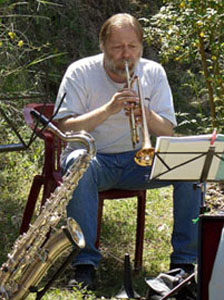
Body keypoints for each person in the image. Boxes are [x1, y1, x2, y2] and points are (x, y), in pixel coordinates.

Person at [53, 13, 201, 289]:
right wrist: (108, 109)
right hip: (95, 161)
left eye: (132, 46)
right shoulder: (80, 71)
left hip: (138, 162)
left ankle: (184, 263)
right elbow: (65, 126)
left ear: (141, 47)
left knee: (191, 167)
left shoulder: (153, 72)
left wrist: (145, 112)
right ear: (102, 46)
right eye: (117, 47)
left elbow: (167, 131)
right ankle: (84, 264)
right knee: (78, 163)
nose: (126, 55)